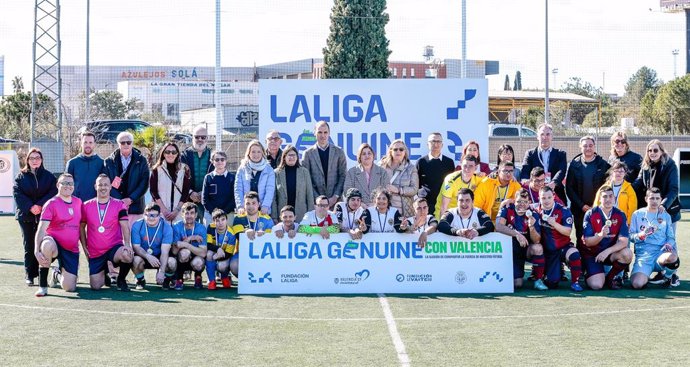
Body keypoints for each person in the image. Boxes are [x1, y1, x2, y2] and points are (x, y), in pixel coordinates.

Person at [80, 174, 134, 291]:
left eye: (106, 185)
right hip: (96, 251)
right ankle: (104, 273)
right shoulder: (86, 205)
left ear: (110, 187)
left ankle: (121, 279)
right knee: (95, 286)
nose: (103, 187)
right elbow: (81, 227)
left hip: (114, 247)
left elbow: (125, 226)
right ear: (95, 186)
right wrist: (84, 247)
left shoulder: (120, 204)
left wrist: (127, 244)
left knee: (127, 255)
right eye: (100, 185)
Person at [13, 148, 57, 286]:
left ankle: (42, 273)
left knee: (44, 246)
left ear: (41, 160)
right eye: (32, 158)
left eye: (37, 158)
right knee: (29, 245)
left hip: (44, 217)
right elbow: (17, 194)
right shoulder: (20, 176)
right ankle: (30, 275)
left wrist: (40, 205)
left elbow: (53, 192)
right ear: (27, 160)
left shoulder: (49, 177)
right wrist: (31, 207)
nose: (35, 160)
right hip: (26, 216)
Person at [33, 174, 82, 297]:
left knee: (70, 288)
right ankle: (43, 286)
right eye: (64, 183)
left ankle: (57, 274)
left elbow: (82, 226)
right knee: (47, 245)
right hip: (54, 244)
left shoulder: (78, 202)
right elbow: (42, 228)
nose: (67, 186)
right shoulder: (51, 203)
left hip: (71, 249)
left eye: (70, 183)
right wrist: (36, 250)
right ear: (57, 185)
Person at [582, 185, 633, 290]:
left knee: (627, 253)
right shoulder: (591, 213)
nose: (608, 199)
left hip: (610, 254)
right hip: (593, 254)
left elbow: (623, 242)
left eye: (610, 196)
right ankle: (589, 271)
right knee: (596, 286)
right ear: (600, 199)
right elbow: (588, 242)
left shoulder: (620, 214)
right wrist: (600, 235)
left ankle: (609, 278)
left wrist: (607, 252)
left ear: (614, 199)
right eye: (605, 197)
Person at [494, 189, 547, 290]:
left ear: (529, 203)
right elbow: (498, 226)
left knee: (538, 248)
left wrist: (531, 227)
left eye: (525, 202)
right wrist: (517, 234)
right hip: (510, 251)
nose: (521, 205)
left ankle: (538, 280)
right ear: (514, 201)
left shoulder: (533, 214)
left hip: (526, 250)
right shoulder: (507, 209)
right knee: (517, 284)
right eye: (519, 201)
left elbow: (536, 240)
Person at [533, 186, 583, 292]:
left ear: (553, 197)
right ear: (539, 198)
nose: (546, 201)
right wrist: (507, 201)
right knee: (552, 283)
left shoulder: (563, 210)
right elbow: (519, 205)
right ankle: (548, 271)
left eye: (549, 197)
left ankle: (575, 282)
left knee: (574, 254)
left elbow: (568, 231)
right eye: (543, 198)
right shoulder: (535, 210)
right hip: (549, 251)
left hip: (563, 247)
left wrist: (554, 223)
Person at [565, 136, 611, 250]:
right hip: (580, 210)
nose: (588, 148)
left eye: (590, 145)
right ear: (580, 147)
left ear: (594, 147)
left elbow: (608, 186)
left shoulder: (602, 164)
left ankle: (597, 264)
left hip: (599, 209)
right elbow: (569, 188)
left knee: (598, 236)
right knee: (581, 237)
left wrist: (597, 205)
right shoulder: (574, 165)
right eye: (585, 146)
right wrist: (582, 206)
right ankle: (581, 265)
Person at [630, 188, 680, 289]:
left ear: (661, 199)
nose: (654, 201)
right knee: (637, 284)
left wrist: (669, 244)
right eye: (652, 198)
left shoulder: (666, 216)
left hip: (660, 253)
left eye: (657, 198)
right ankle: (644, 274)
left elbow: (671, 237)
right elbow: (630, 236)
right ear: (646, 199)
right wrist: (641, 235)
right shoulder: (637, 214)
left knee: (672, 257)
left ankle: (667, 277)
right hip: (644, 256)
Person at [633, 139, 681, 231]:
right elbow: (638, 182)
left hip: (668, 210)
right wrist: (626, 188)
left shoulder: (670, 166)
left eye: (655, 150)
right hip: (651, 210)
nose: (652, 153)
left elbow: (673, 189)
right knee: (651, 241)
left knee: (668, 242)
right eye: (649, 150)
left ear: (661, 151)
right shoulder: (645, 166)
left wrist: (663, 205)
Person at [103, 131, 150, 224]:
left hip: (135, 207)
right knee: (117, 237)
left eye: (128, 142)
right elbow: (106, 183)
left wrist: (130, 199)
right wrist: (120, 202)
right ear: (118, 144)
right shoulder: (109, 161)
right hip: (115, 207)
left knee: (134, 237)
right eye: (122, 142)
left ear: (132, 143)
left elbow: (144, 183)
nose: (126, 144)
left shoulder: (141, 160)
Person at [301, 121, 347, 209]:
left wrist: (335, 197)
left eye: (325, 132)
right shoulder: (307, 154)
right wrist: (318, 199)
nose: (323, 135)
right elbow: (306, 179)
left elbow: (343, 176)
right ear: (314, 133)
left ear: (329, 133)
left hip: (336, 203)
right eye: (319, 132)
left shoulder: (339, 152)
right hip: (316, 204)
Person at [130, 203, 175, 290]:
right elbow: (136, 247)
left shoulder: (166, 227)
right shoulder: (137, 225)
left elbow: (165, 251)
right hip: (143, 255)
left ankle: (166, 279)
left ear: (160, 215)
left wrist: (162, 271)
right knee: (135, 260)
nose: (151, 218)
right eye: (148, 215)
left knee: (172, 262)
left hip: (160, 256)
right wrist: (148, 256)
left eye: (154, 215)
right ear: (144, 215)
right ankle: (140, 279)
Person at [229, 191, 273, 277]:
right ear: (244, 205)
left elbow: (271, 238)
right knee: (234, 266)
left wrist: (264, 235)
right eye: (248, 203)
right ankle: (246, 281)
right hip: (242, 253)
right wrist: (245, 232)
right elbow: (238, 235)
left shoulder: (267, 219)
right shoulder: (239, 218)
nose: (251, 206)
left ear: (259, 204)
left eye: (253, 203)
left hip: (263, 254)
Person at [520, 123, 568, 201]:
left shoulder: (561, 154)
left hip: (555, 191)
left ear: (552, 137)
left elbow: (561, 171)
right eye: (542, 134)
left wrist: (553, 183)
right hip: (535, 192)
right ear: (537, 137)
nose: (545, 137)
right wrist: (525, 180)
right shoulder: (530, 154)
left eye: (548, 134)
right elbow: (525, 170)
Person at [149, 142, 191, 223]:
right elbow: (153, 191)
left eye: (173, 152)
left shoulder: (184, 169)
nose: (170, 154)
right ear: (163, 153)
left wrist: (176, 211)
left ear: (177, 154)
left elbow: (185, 192)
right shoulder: (156, 170)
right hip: (161, 212)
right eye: (167, 152)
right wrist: (164, 210)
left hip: (179, 213)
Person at [415, 132, 455, 215]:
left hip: (443, 203)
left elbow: (452, 183)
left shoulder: (449, 162)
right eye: (433, 141)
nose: (436, 144)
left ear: (442, 144)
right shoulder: (421, 162)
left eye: (438, 142)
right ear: (427, 144)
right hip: (425, 204)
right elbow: (416, 183)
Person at [272, 144, 314, 222]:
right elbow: (274, 197)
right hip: (283, 216)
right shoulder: (276, 173)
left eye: (294, 155)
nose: (292, 157)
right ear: (284, 157)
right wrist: (274, 217)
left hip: (301, 215)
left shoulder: (304, 172)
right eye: (289, 155)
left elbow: (309, 195)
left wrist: (311, 216)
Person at [181, 125, 213, 223]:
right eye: (197, 137)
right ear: (192, 137)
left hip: (208, 200)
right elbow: (179, 178)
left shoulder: (213, 155)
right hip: (188, 199)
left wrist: (203, 193)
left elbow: (216, 177)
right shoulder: (184, 155)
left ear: (207, 138)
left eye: (203, 137)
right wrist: (190, 192)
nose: (200, 139)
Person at [171, 202, 207, 290]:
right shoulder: (176, 226)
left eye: (192, 213)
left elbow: (203, 253)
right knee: (184, 252)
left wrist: (186, 244)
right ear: (182, 214)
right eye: (186, 213)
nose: (189, 216)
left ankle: (198, 277)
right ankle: (179, 278)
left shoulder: (201, 228)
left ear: (196, 215)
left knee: (199, 262)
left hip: (195, 258)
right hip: (181, 258)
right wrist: (191, 238)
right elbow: (174, 251)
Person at [235, 139, 275, 216]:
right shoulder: (242, 168)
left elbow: (270, 189)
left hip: (263, 210)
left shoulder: (269, 169)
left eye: (258, 152)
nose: (256, 154)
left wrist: (265, 206)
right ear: (248, 153)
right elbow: (238, 189)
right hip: (245, 210)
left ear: (263, 153)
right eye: (253, 152)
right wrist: (240, 206)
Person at [379, 139, 419, 218]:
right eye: (395, 149)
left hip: (403, 210)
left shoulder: (411, 168)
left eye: (401, 149)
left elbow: (414, 189)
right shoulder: (381, 166)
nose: (398, 151)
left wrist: (398, 190)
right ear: (390, 151)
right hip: (383, 207)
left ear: (405, 152)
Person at [343, 143, 390, 208]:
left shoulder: (382, 172)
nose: (367, 156)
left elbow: (386, 191)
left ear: (373, 155)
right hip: (357, 209)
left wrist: (375, 204)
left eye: (369, 153)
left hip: (378, 208)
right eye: (364, 154)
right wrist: (360, 203)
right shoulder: (352, 172)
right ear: (359, 157)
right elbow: (347, 190)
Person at [594, 161, 637, 226]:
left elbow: (632, 208)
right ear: (612, 172)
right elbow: (596, 204)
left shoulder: (629, 189)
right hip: (605, 221)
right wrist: (597, 219)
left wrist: (628, 223)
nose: (618, 173)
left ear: (625, 173)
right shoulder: (604, 187)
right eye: (616, 171)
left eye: (621, 171)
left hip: (621, 221)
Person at [66, 131, 104, 201]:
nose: (88, 145)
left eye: (90, 142)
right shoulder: (72, 163)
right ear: (81, 144)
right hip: (77, 204)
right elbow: (66, 185)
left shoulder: (101, 163)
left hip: (96, 204)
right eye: (85, 142)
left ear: (94, 144)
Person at [202, 150, 236, 225]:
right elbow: (205, 199)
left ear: (226, 161)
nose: (220, 161)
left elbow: (234, 197)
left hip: (228, 214)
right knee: (210, 236)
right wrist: (214, 212)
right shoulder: (208, 178)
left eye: (222, 159)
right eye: (217, 160)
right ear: (212, 162)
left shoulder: (232, 178)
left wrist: (224, 212)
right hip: (211, 215)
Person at [205, 209, 236, 290]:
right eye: (217, 220)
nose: (220, 223)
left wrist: (218, 256)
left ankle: (224, 277)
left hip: (225, 255)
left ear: (226, 220)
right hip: (214, 252)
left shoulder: (231, 234)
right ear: (213, 222)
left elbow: (229, 253)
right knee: (208, 254)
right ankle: (212, 281)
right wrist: (218, 249)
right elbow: (208, 244)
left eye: (223, 219)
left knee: (222, 266)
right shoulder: (210, 227)